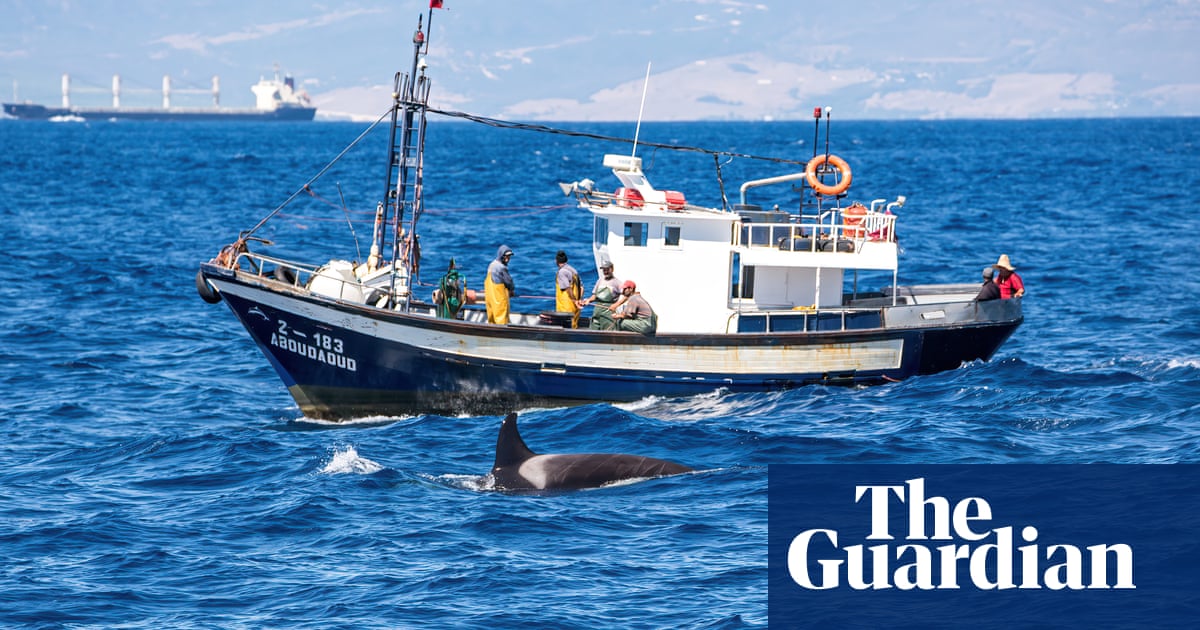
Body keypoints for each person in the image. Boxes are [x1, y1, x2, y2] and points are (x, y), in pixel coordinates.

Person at [578, 258, 622, 330]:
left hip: (608, 314)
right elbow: (595, 296)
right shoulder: (600, 280)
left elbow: (627, 295)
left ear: (612, 269)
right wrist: (588, 300)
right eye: (604, 269)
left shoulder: (617, 283)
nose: (605, 271)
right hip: (597, 312)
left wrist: (616, 305)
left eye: (607, 269)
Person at [485, 245, 515, 324]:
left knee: (491, 317)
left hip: (490, 296)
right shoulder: (501, 267)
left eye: (509, 257)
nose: (508, 259)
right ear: (502, 256)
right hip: (499, 297)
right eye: (507, 256)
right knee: (501, 317)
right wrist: (511, 290)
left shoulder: (492, 264)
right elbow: (508, 281)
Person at [553, 250, 583, 328]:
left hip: (565, 307)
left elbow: (568, 288)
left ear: (556, 261)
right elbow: (581, 287)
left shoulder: (562, 272)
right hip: (575, 307)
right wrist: (578, 300)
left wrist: (574, 301)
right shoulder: (573, 271)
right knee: (574, 326)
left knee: (565, 328)